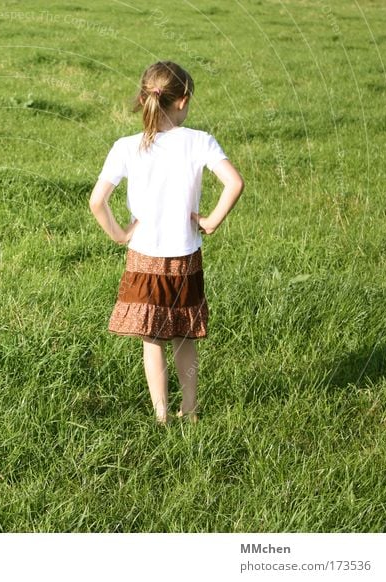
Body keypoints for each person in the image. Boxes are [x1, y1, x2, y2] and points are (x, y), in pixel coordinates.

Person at [89, 61, 244, 426]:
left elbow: (97, 201)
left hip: (143, 257)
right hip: (185, 257)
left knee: (152, 338)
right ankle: (189, 409)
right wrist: (210, 222)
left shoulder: (126, 146)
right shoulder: (199, 141)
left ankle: (161, 415)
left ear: (145, 97)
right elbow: (234, 183)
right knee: (185, 336)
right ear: (183, 100)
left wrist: (120, 234)